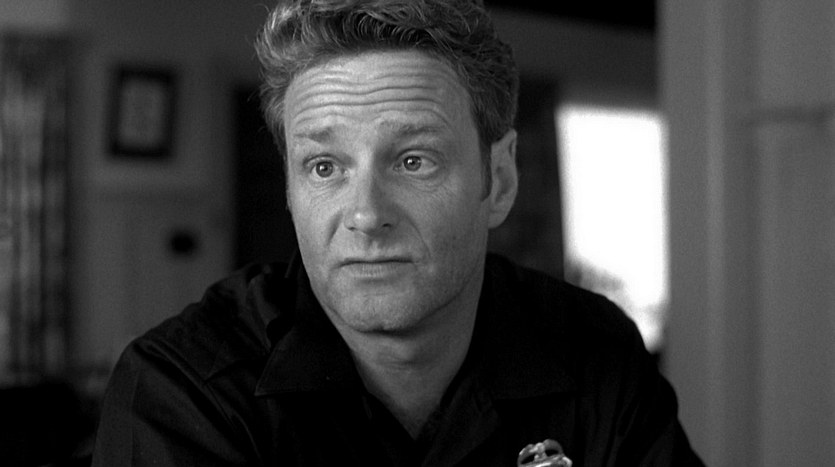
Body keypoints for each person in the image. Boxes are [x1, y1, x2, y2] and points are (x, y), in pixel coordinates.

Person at [91, 0, 704, 465]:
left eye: (413, 161)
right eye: (324, 167)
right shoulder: (182, 392)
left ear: (499, 180)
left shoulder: (597, 355)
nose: (365, 214)